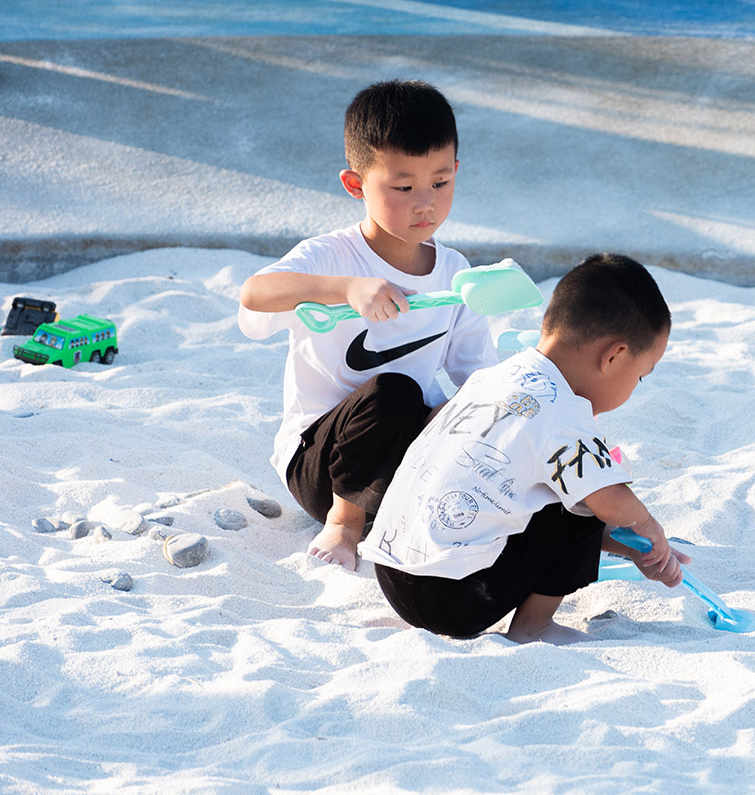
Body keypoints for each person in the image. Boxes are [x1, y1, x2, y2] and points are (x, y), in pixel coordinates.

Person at [361, 253, 685, 644]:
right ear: (613, 356)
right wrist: (649, 528)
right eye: (640, 376)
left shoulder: (489, 379)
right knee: (589, 491)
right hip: (457, 597)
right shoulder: (565, 414)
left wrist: (631, 548)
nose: (635, 388)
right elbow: (606, 503)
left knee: (563, 487)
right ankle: (535, 626)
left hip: (393, 576)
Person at [238, 80, 495, 566]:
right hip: (323, 470)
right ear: (356, 184)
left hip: (404, 465)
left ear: (456, 170)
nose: (426, 203)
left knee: (476, 410)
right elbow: (254, 294)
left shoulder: (455, 272)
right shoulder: (331, 255)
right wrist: (345, 288)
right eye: (404, 187)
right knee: (394, 389)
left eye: (440, 182)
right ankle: (345, 527)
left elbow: (476, 377)